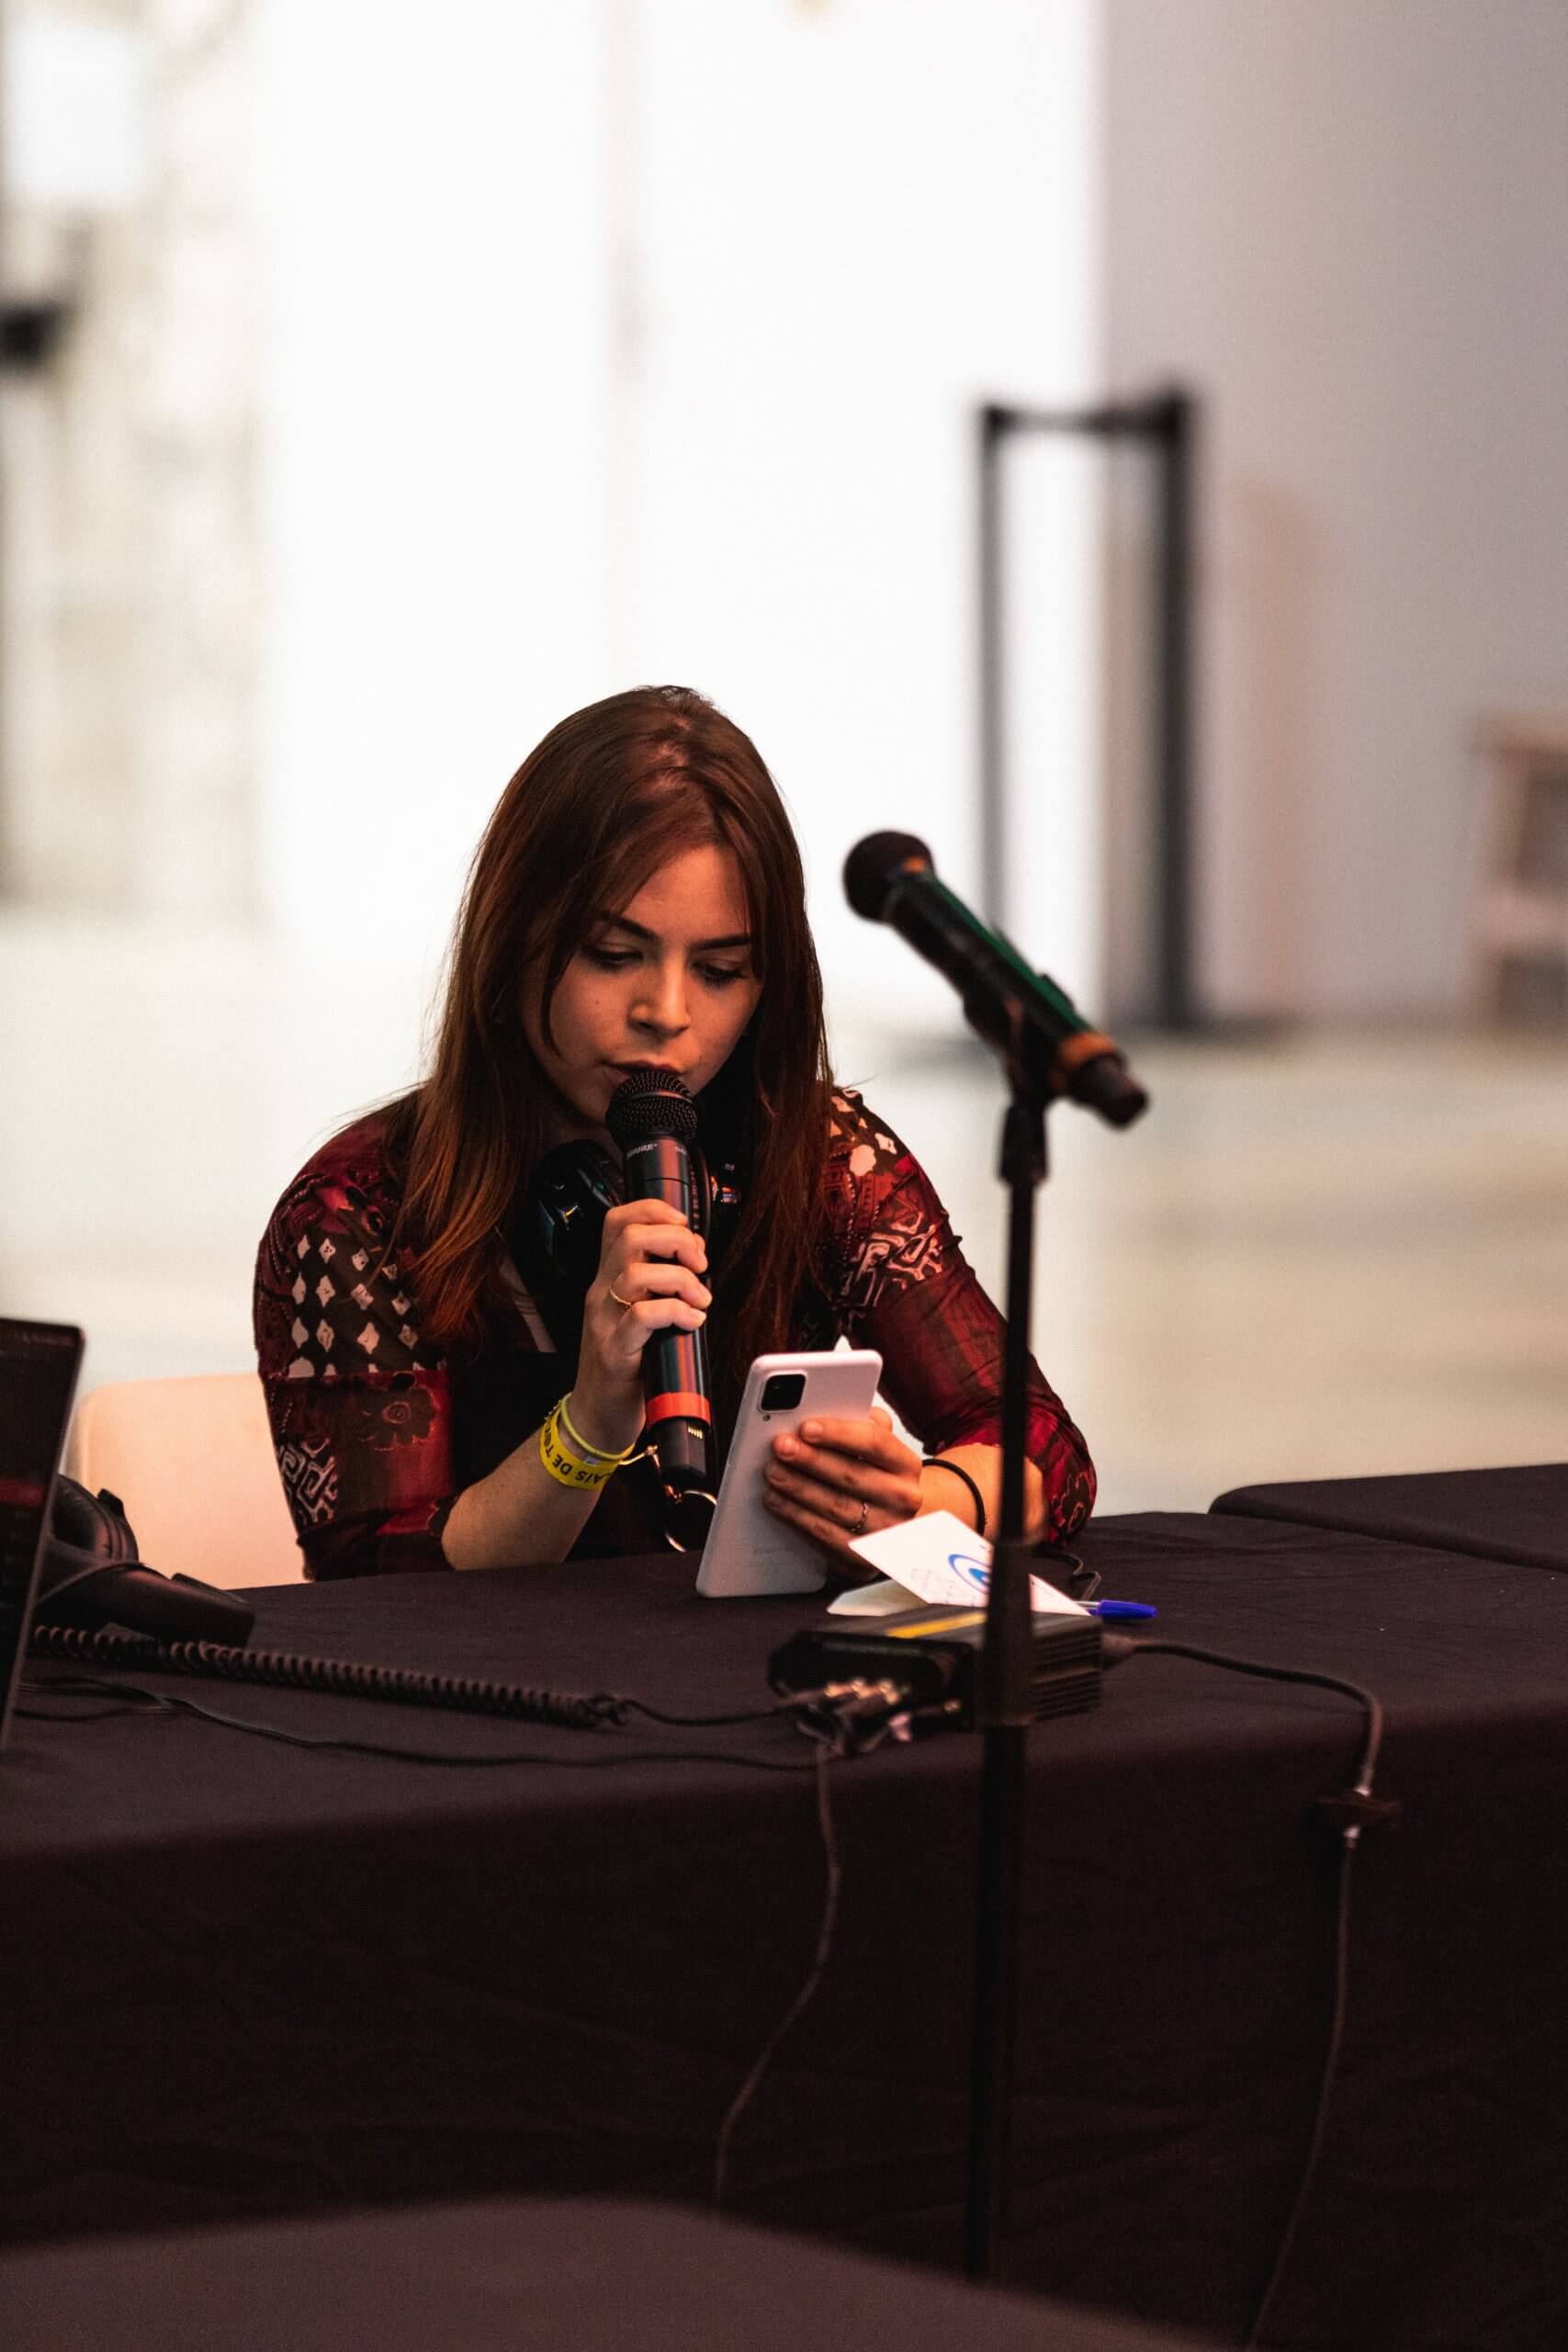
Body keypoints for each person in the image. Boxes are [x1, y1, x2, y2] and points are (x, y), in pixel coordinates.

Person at [254, 686, 1095, 1578]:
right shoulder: (361, 1211)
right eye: (614, 956)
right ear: (511, 943)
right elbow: (379, 1585)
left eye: (722, 969)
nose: (667, 1012)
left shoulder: (817, 1159)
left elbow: (1044, 1447)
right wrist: (588, 1424)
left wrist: (927, 1501)